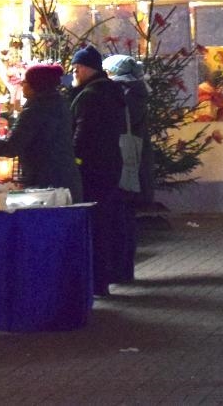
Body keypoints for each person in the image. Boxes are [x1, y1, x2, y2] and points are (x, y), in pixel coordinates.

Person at [68, 44, 129, 296]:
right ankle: (104, 278)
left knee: (94, 224)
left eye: (75, 68)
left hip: (92, 168)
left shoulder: (90, 95)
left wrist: (72, 157)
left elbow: (82, 136)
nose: (73, 72)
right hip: (110, 163)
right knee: (104, 221)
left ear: (83, 69)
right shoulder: (111, 91)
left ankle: (97, 281)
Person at [0, 62, 80, 195]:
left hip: (45, 185)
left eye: (24, 82)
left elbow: (10, 147)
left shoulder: (34, 111)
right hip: (67, 182)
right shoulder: (61, 105)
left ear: (35, 86)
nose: (21, 85)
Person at [102, 53, 152, 281]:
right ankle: (124, 269)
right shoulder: (137, 93)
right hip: (133, 161)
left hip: (124, 161)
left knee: (120, 218)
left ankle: (120, 270)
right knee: (126, 217)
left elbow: (119, 124)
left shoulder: (125, 96)